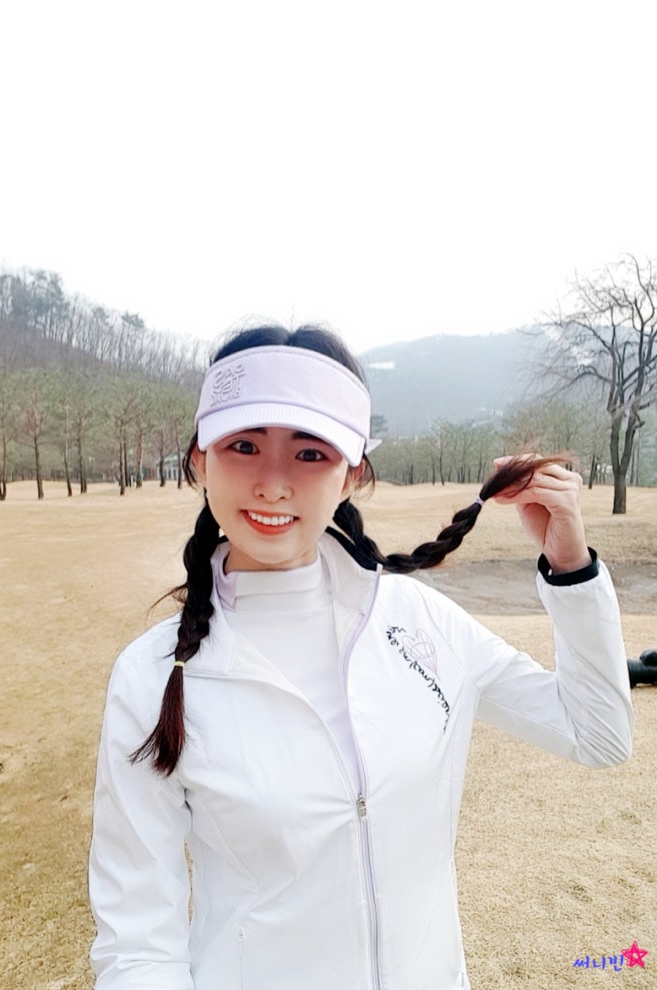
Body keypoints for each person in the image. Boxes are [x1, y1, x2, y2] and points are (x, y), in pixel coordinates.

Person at [88, 324, 633, 990]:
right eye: (244, 445)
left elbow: (598, 734)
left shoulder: (421, 623)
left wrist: (571, 567)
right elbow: (138, 943)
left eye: (310, 453)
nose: (273, 484)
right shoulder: (151, 677)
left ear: (351, 474)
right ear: (200, 461)